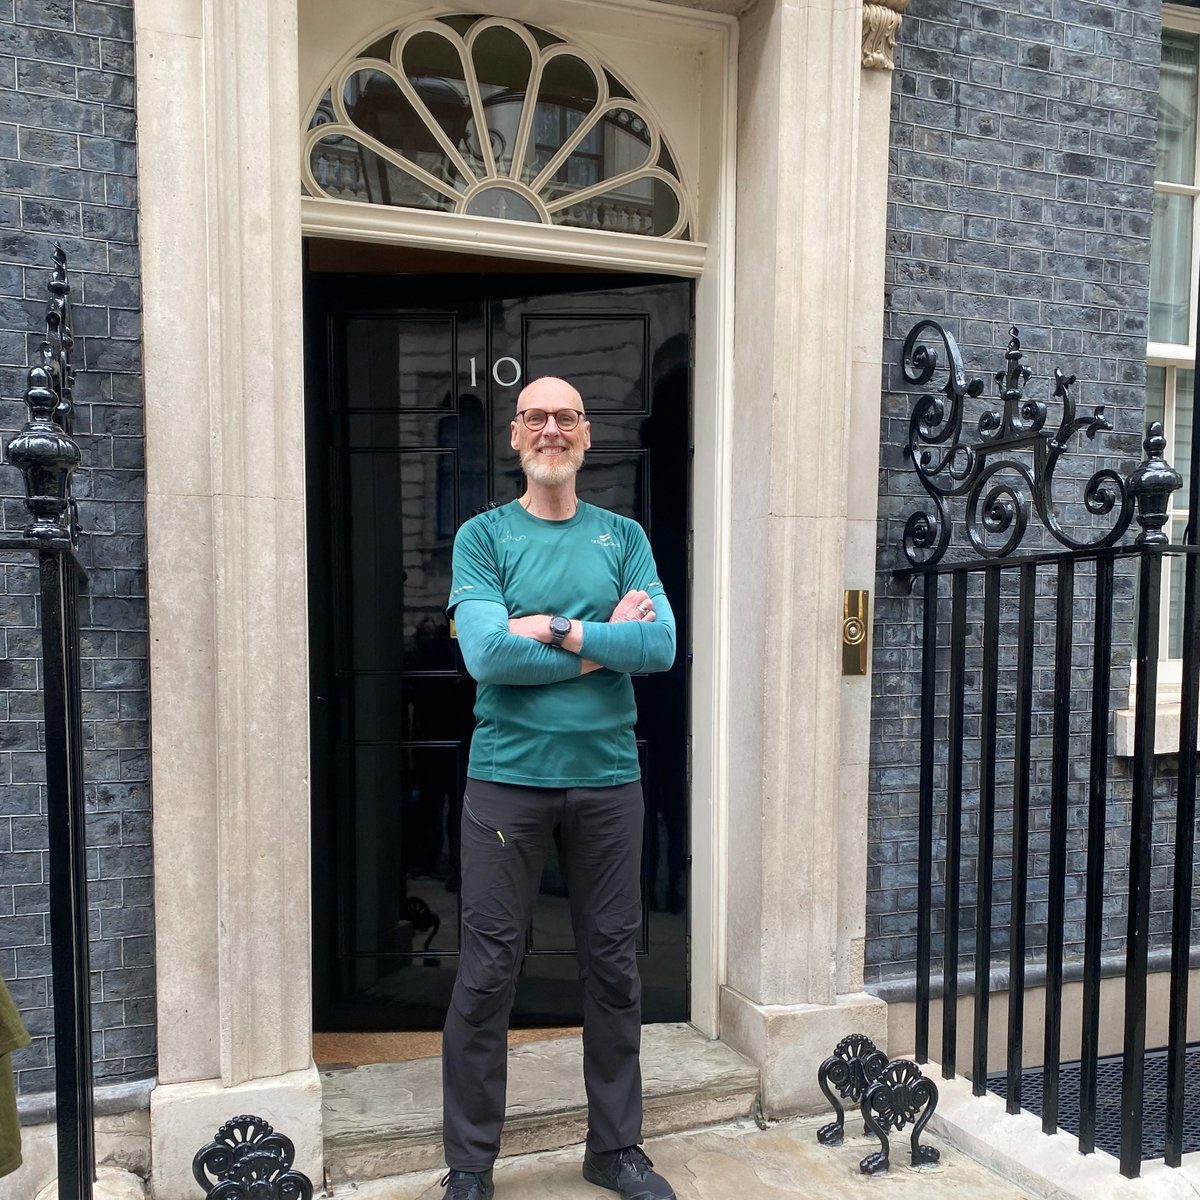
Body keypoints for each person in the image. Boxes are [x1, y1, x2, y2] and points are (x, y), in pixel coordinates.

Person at [441, 376, 678, 1200]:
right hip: (506, 783)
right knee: (487, 972)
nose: (551, 429)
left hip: (609, 782)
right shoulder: (482, 537)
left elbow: (662, 649)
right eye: (536, 417)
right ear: (515, 437)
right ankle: (470, 1164)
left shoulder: (623, 534)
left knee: (613, 969)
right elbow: (485, 657)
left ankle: (615, 1150)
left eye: (567, 416)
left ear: (586, 434)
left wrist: (552, 626)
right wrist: (604, 637)